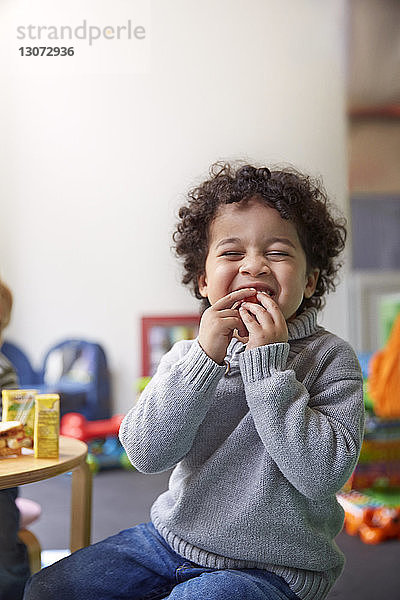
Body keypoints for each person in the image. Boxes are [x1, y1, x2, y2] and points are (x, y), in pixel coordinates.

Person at [24, 163, 365, 600]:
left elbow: (321, 476)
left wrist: (268, 367)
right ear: (204, 281)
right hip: (172, 541)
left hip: (275, 568)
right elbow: (146, 454)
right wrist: (203, 360)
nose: (254, 266)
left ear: (310, 280)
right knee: (49, 589)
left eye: (277, 253)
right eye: (231, 253)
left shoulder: (331, 359)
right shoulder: (189, 355)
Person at [0, 279, 31, 600]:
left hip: (1, 480)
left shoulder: (4, 370)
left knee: (5, 549)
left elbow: (14, 429)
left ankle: (14, 587)